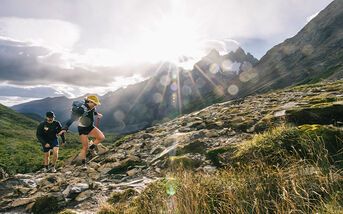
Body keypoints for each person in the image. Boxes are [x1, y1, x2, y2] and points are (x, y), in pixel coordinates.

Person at [59, 95, 105, 168]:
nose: (95, 105)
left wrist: (97, 114)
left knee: (101, 137)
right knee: (85, 147)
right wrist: (65, 128)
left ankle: (91, 148)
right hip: (82, 129)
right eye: (94, 103)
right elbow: (72, 119)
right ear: (90, 102)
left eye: (96, 104)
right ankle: (84, 164)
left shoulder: (92, 107)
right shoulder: (81, 110)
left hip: (90, 127)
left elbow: (93, 111)